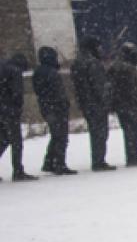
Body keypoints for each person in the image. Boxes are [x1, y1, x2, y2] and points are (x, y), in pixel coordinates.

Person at [71, 36, 115, 171]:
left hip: (86, 103)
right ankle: (99, 161)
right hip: (96, 104)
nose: (100, 49)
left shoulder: (77, 63)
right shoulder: (93, 63)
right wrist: (106, 100)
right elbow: (99, 86)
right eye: (98, 47)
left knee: (95, 132)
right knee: (100, 133)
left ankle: (98, 159)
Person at [32, 46, 75, 174]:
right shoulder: (51, 72)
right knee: (61, 136)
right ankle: (58, 164)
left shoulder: (38, 72)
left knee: (56, 135)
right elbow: (58, 92)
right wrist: (64, 104)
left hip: (46, 107)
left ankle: (50, 162)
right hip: (56, 108)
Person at [108, 42, 137, 167]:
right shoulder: (126, 68)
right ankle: (133, 157)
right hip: (127, 103)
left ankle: (134, 155)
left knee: (130, 130)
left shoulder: (116, 66)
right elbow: (133, 89)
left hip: (122, 103)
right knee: (132, 130)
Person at [0, 50, 31, 181]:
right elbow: (17, 94)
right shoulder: (14, 71)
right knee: (16, 141)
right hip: (9, 111)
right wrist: (17, 108)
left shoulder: (2, 66)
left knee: (3, 139)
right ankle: (18, 171)